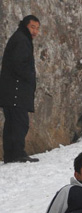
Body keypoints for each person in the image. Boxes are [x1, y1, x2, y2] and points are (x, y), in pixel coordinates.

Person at [0, 15, 40, 163]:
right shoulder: (22, 40)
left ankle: (11, 155)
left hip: (10, 90)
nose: (35, 31)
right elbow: (19, 64)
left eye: (37, 28)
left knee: (12, 122)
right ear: (25, 26)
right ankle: (17, 154)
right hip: (16, 89)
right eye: (32, 27)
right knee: (19, 122)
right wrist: (30, 77)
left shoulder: (19, 38)